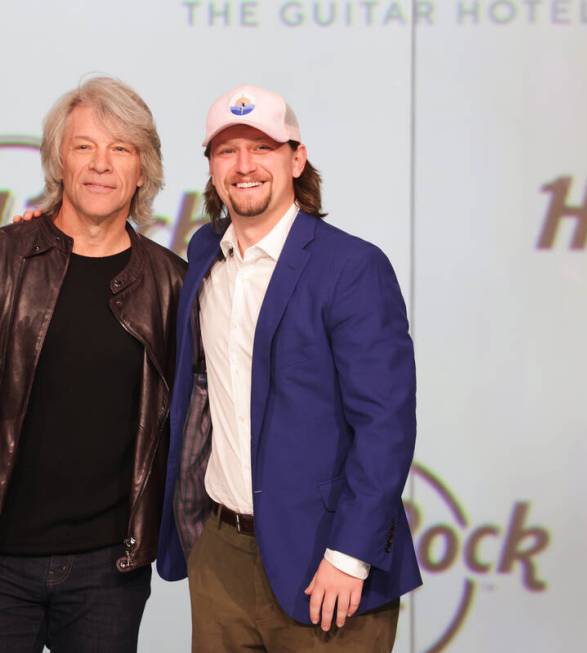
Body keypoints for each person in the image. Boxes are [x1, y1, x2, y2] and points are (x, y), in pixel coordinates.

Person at [0, 77, 186, 653]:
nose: (101, 165)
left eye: (121, 148)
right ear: (60, 160)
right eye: (84, 146)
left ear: (143, 169)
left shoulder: (172, 284)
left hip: (109, 569)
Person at [156, 84, 422, 651]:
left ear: (296, 159)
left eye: (263, 147)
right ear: (211, 167)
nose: (245, 165)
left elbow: (386, 426)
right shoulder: (205, 254)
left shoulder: (352, 267)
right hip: (221, 555)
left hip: (324, 562)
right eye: (227, 151)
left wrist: (349, 557)